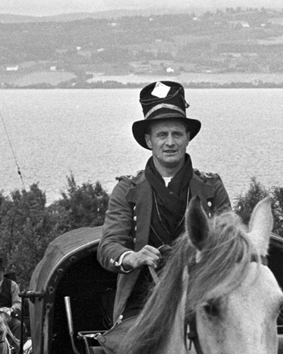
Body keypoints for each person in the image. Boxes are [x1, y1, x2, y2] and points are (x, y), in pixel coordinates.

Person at [97, 80, 231, 327]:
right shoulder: (127, 189)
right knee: (129, 350)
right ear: (149, 141)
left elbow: (229, 243)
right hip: (143, 299)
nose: (170, 142)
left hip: (202, 293)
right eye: (162, 135)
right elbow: (108, 247)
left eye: (177, 134)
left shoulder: (212, 188)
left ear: (188, 138)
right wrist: (132, 257)